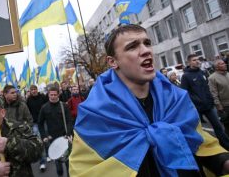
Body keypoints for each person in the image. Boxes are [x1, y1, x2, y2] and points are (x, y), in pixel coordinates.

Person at [69, 24, 229, 176]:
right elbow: (85, 170)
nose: (145, 51)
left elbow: (198, 142)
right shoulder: (96, 113)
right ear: (113, 62)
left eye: (147, 43)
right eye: (132, 46)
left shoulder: (175, 98)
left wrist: (222, 162)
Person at [181, 54, 229, 150]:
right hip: (196, 108)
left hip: (209, 106)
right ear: (189, 62)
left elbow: (208, 88)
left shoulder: (202, 72)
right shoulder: (185, 76)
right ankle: (203, 150)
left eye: (198, 59)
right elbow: (185, 92)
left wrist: (211, 100)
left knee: (218, 126)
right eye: (194, 60)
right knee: (199, 130)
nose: (197, 61)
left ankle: (225, 146)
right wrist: (197, 101)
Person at [38, 86, 73, 177]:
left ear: (58, 95)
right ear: (48, 95)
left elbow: (69, 120)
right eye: (51, 95)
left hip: (65, 137)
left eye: (55, 95)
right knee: (58, 163)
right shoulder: (44, 107)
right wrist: (44, 136)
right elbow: (40, 123)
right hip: (53, 139)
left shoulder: (64, 106)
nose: (53, 96)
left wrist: (69, 133)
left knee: (68, 161)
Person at [26, 84, 48, 172]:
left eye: (35, 89)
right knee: (39, 141)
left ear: (37, 90)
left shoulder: (42, 97)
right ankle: (42, 162)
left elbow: (47, 106)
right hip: (35, 123)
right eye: (32, 90)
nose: (34, 91)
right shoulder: (28, 100)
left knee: (46, 138)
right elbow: (28, 112)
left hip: (45, 121)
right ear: (30, 91)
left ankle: (48, 153)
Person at [208, 59, 229, 135]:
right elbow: (214, 94)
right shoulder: (212, 78)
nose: (225, 64)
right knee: (227, 126)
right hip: (225, 106)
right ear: (217, 67)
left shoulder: (228, 74)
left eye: (224, 63)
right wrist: (219, 107)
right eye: (222, 64)